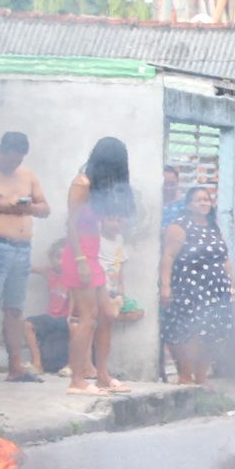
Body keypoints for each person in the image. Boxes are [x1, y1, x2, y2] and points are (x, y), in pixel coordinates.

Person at [61, 137, 136, 396]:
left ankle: (103, 375)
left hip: (93, 255)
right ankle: (78, 380)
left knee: (107, 314)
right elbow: (70, 224)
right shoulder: (82, 184)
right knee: (87, 317)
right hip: (79, 255)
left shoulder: (102, 188)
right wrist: (81, 260)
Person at [0, 131, 50, 382]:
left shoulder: (28, 175)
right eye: (10, 160)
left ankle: (15, 366)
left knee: (15, 309)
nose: (14, 165)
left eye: (18, 161)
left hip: (22, 247)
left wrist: (26, 207)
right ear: (1, 152)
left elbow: (45, 209)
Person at [161, 186, 234, 386]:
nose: (204, 203)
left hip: (216, 289)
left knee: (211, 333)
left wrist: (231, 286)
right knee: (190, 331)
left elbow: (225, 259)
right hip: (190, 287)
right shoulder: (179, 226)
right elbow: (168, 257)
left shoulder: (213, 227)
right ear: (188, 205)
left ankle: (201, 376)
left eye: (207, 200)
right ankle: (185, 376)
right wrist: (165, 287)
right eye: (198, 200)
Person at [25, 240, 72, 377]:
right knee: (28, 324)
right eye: (58, 257)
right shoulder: (48, 272)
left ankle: (71, 365)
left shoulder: (73, 276)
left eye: (66, 258)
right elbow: (31, 268)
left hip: (66, 317)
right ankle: (37, 363)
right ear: (51, 258)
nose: (61, 261)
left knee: (77, 328)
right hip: (51, 317)